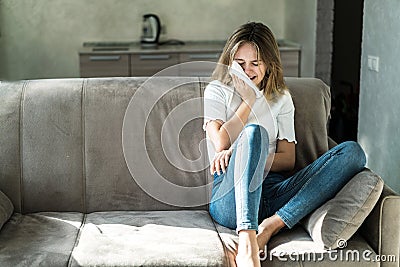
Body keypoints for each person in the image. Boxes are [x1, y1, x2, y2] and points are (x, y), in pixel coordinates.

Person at [203, 22, 366, 267]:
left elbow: (288, 159)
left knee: (353, 152)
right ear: (230, 61)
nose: (247, 71)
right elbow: (221, 141)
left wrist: (251, 159)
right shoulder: (217, 91)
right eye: (240, 63)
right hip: (230, 199)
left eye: (255, 63)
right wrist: (248, 101)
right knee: (253, 133)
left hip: (273, 195)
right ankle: (247, 239)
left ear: (268, 64)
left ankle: (271, 226)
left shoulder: (280, 98)